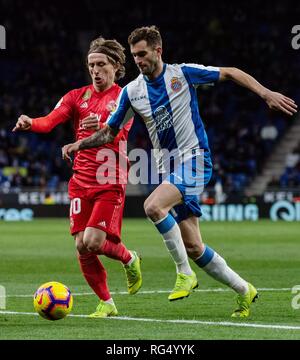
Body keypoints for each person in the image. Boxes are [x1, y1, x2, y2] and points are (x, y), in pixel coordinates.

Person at [62, 26, 297, 317]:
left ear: (158, 51)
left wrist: (265, 93)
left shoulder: (183, 74)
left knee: (153, 206)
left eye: (143, 54)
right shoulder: (133, 92)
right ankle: (244, 290)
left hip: (195, 159)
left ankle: (184, 273)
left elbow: (232, 72)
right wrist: (80, 144)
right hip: (169, 171)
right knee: (195, 246)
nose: (139, 60)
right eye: (135, 55)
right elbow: (109, 132)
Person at [13, 36, 142, 318]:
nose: (95, 70)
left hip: (110, 178)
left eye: (101, 64)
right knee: (82, 246)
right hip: (80, 181)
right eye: (90, 65)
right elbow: (49, 121)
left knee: (95, 242)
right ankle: (106, 302)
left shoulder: (125, 98)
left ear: (116, 65)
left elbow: (118, 133)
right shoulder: (76, 96)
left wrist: (105, 124)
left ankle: (129, 257)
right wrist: (30, 122)